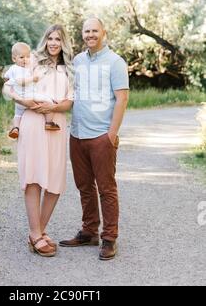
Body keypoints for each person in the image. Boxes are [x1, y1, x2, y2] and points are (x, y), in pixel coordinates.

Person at [59, 16, 129, 261]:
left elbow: (122, 98)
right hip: (77, 134)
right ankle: (89, 231)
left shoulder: (115, 62)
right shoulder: (77, 60)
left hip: (101, 136)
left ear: (104, 33)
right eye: (86, 31)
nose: (90, 34)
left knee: (107, 189)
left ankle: (109, 237)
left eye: (94, 31)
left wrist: (112, 134)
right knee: (84, 187)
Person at [3, 25, 74, 257]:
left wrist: (53, 106)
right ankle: (35, 234)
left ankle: (39, 231)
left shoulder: (70, 69)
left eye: (58, 39)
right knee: (33, 176)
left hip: (56, 124)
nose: (54, 43)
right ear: (45, 40)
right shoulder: (31, 61)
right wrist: (24, 102)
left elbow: (70, 101)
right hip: (33, 123)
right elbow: (8, 87)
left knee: (54, 181)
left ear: (64, 43)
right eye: (50, 38)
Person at [3, 42, 61, 139]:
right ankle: (49, 123)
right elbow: (19, 81)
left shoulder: (12, 68)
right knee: (48, 101)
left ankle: (16, 128)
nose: (25, 60)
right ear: (14, 59)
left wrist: (8, 82)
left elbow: (6, 78)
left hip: (19, 99)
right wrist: (32, 79)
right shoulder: (19, 70)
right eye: (22, 57)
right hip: (29, 95)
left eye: (27, 57)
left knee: (17, 114)